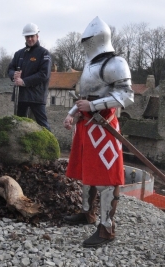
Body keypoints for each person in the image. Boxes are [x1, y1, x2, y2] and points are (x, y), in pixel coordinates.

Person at [62, 16, 134, 247]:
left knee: (105, 179)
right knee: (87, 175)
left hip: (104, 127)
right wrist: (72, 112)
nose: (86, 44)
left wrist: (92, 106)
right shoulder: (90, 66)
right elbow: (83, 98)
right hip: (86, 126)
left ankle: (106, 230)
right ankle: (87, 213)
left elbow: (126, 96)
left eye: (88, 39)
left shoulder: (116, 63)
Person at [7, 22, 51, 131]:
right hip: (20, 96)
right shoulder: (19, 54)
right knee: (18, 125)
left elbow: (44, 74)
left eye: (32, 36)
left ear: (37, 36)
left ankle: (52, 148)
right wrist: (14, 75)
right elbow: (10, 69)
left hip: (36, 96)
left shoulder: (44, 53)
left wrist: (24, 81)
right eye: (28, 36)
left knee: (43, 125)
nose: (30, 39)